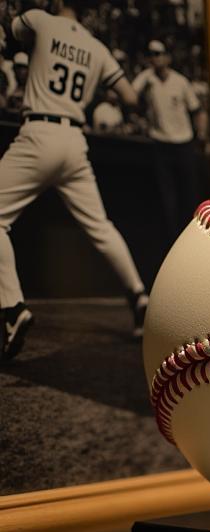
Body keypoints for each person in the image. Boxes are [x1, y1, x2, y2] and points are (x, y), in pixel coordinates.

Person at [0, 1, 147, 360]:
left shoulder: (41, 20)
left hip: (39, 132)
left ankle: (12, 309)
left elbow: (10, 36)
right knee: (100, 225)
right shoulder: (97, 46)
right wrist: (90, 87)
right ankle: (139, 296)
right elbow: (130, 97)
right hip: (74, 139)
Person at [133, 38, 206, 245]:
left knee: (190, 194)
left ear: (167, 57)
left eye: (158, 54)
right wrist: (145, 75)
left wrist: (200, 136)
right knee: (167, 198)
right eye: (151, 55)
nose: (154, 58)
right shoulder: (148, 80)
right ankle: (172, 239)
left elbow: (196, 110)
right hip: (161, 144)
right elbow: (131, 94)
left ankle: (195, 237)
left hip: (183, 143)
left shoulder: (180, 82)